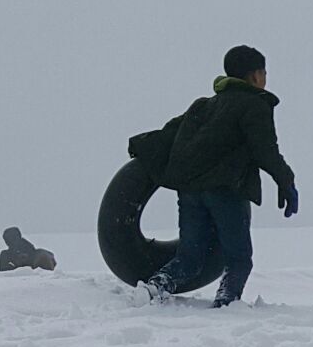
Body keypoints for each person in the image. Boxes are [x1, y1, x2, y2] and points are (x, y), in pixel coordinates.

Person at [128, 44, 298, 307]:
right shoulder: (254, 105)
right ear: (254, 76)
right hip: (226, 190)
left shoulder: (204, 106)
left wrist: (140, 145)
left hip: (191, 192)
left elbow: (171, 132)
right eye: (263, 72)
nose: (265, 78)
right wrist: (286, 181)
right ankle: (226, 302)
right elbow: (265, 151)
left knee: (190, 257)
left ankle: (154, 288)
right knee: (239, 258)